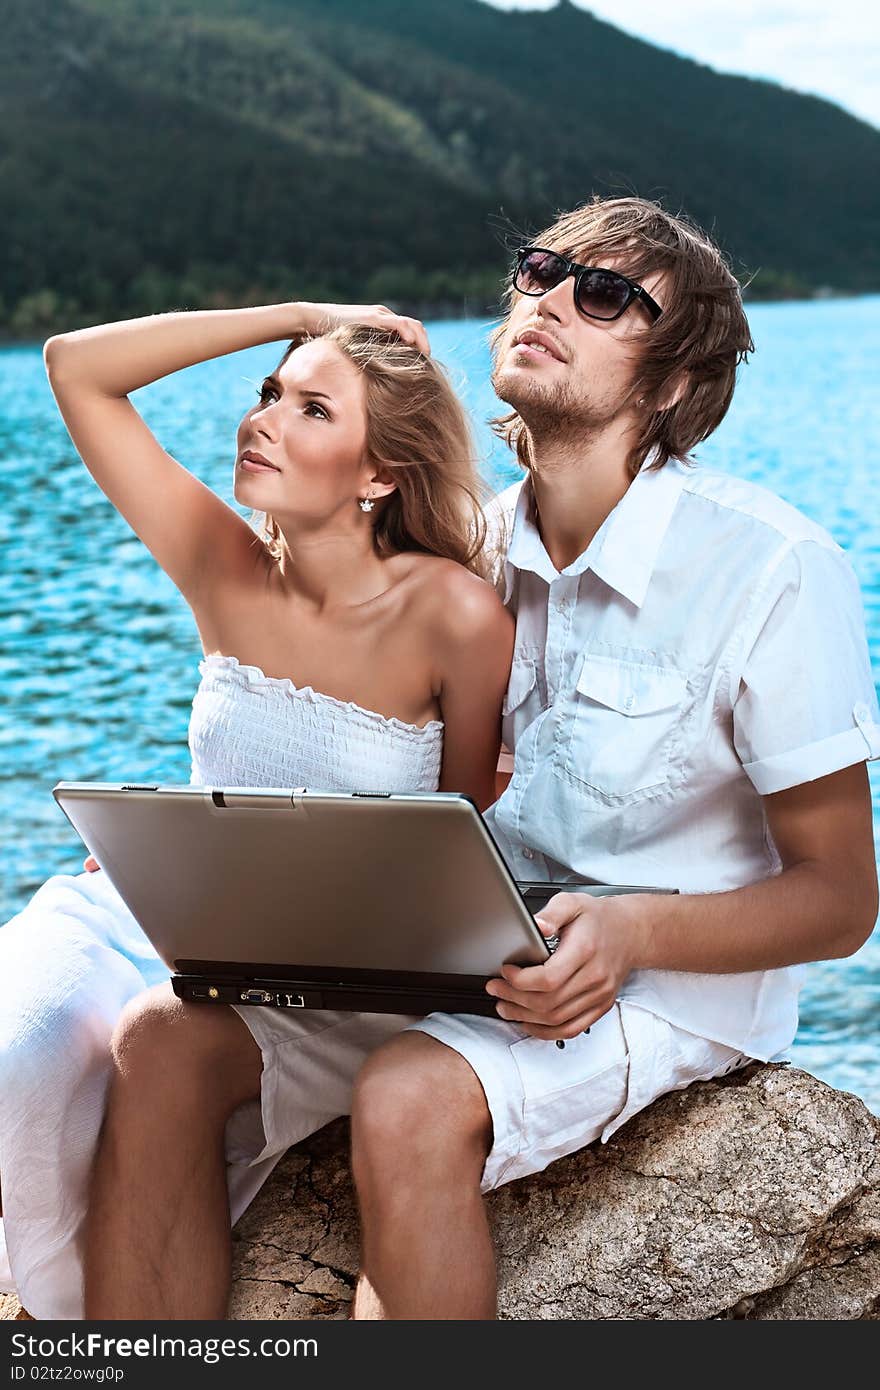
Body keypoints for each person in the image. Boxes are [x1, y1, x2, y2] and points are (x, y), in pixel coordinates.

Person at [82, 195, 880, 1323]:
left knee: (405, 1095)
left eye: (604, 296)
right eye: (540, 271)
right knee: (160, 1043)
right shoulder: (473, 552)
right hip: (455, 954)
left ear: (670, 386)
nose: (548, 297)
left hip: (656, 981)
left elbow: (843, 899)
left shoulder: (771, 569)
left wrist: (633, 929)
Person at [0, 301, 514, 1319]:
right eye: (267, 394)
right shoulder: (223, 564)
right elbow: (76, 368)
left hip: (339, 964)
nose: (265, 419)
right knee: (13, 1060)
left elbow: (460, 833)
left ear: (378, 476)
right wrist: (300, 316)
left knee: (152, 1049)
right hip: (153, 914)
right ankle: (68, 1317)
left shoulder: (453, 613)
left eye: (311, 408)